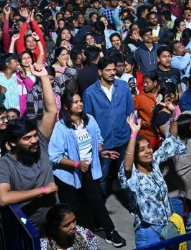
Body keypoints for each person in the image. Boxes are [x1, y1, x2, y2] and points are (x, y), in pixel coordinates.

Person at [48, 91, 126, 247]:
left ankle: (110, 232)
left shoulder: (89, 120)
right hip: (67, 174)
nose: (80, 104)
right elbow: (54, 156)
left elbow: (98, 140)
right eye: (75, 102)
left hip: (88, 169)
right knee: (70, 207)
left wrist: (102, 152)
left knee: (97, 200)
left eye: (80, 101)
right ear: (66, 106)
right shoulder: (61, 127)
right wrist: (76, 164)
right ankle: (69, 240)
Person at [0, 64, 59, 231]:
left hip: (54, 223)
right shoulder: (4, 164)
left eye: (34, 135)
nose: (34, 140)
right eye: (27, 138)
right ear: (12, 143)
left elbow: (51, 110)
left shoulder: (41, 144)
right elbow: (3, 198)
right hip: (29, 231)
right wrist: (43, 190)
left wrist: (43, 77)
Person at [119, 111, 187, 246]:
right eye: (142, 150)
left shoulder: (154, 164)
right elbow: (127, 166)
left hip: (167, 227)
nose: (148, 151)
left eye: (149, 147)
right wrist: (134, 133)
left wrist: (173, 115)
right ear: (134, 155)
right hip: (149, 233)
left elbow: (171, 141)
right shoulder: (132, 175)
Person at [82, 56, 135, 197]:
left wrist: (132, 134)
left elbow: (130, 112)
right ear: (100, 72)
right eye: (108, 70)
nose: (112, 73)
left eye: (113, 69)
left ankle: (132, 203)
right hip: (103, 143)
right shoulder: (90, 93)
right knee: (101, 176)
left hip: (123, 138)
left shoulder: (123, 87)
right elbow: (87, 121)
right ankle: (101, 206)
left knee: (127, 173)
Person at [133, 71, 163, 150]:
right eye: (143, 82)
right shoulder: (140, 98)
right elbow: (128, 111)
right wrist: (137, 121)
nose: (144, 85)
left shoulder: (163, 92)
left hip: (163, 135)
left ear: (155, 83)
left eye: (147, 82)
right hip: (147, 136)